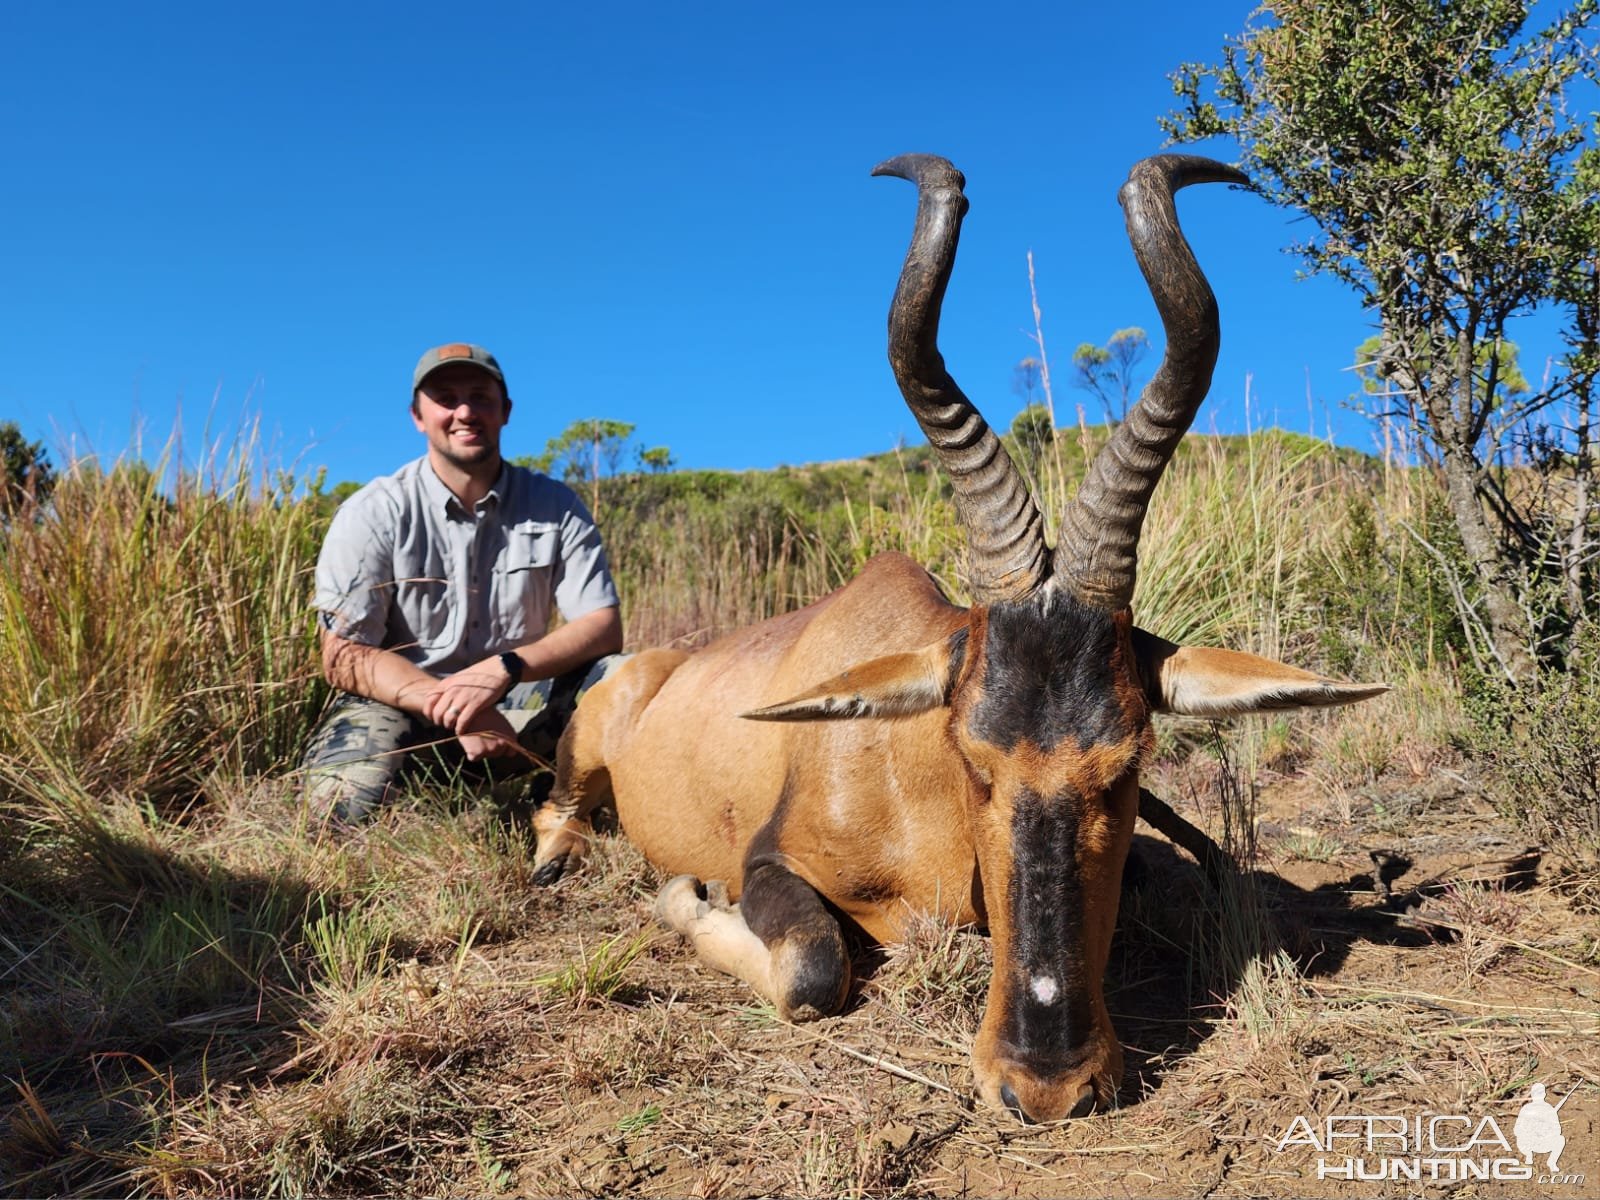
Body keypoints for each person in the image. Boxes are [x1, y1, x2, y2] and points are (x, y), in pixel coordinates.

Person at [303, 342, 625, 824]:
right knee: (341, 810)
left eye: (480, 397)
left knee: (624, 677)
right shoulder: (374, 511)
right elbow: (342, 655)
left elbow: (602, 625)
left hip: (516, 699)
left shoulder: (555, 505)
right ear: (417, 415)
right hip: (404, 704)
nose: (465, 412)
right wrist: (459, 707)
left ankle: (565, 797)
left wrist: (504, 669)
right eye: (446, 398)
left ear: (506, 411)